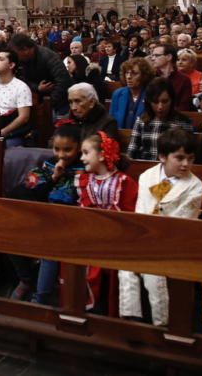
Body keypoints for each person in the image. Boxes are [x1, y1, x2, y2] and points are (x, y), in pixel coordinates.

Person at [118, 129, 202, 326]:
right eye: (179, 158)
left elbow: (182, 221)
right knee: (125, 266)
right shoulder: (148, 176)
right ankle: (130, 317)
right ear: (163, 157)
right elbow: (141, 209)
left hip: (172, 242)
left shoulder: (195, 186)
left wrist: (154, 239)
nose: (185, 164)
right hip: (144, 236)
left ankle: (162, 322)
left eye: (190, 159)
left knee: (152, 271)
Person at [8, 122, 84, 304]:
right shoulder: (48, 165)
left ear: (79, 148)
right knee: (10, 234)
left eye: (68, 149)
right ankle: (26, 279)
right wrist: (53, 178)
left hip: (70, 223)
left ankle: (40, 298)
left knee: (50, 247)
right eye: (57, 149)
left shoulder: (84, 168)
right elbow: (32, 191)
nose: (61, 155)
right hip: (43, 217)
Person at [77, 131, 137, 315]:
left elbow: (129, 213)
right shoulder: (85, 180)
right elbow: (83, 210)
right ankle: (84, 306)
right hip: (92, 232)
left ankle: (110, 309)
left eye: (86, 153)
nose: (81, 158)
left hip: (117, 234)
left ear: (102, 155)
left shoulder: (123, 181)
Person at [127, 78, 193, 161]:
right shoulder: (142, 121)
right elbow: (131, 152)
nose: (160, 107)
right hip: (145, 169)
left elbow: (188, 155)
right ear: (149, 102)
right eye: (155, 102)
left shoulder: (183, 122)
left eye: (164, 101)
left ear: (171, 101)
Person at [9, 34, 71, 116]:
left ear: (25, 49)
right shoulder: (21, 60)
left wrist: (48, 104)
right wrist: (37, 87)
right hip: (37, 99)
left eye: (16, 54)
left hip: (59, 102)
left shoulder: (49, 56)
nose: (14, 57)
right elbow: (22, 79)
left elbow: (63, 82)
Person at [109, 58, 154, 129]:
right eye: (127, 73)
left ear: (144, 76)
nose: (129, 77)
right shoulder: (118, 94)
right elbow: (111, 121)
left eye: (134, 73)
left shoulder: (150, 95)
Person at [147, 43, 194, 112]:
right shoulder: (151, 78)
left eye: (156, 55)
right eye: (152, 55)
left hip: (175, 119)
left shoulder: (184, 79)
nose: (153, 58)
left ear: (169, 57)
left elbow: (184, 106)